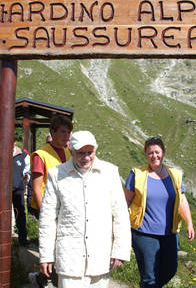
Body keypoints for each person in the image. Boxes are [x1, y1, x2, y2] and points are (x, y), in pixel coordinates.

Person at [38, 130, 131, 288]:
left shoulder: (109, 172)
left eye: (90, 152)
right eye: (81, 153)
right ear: (71, 151)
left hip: (100, 256)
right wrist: (46, 255)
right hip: (69, 259)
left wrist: (120, 251)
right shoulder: (56, 175)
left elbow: (120, 214)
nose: (86, 157)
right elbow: (47, 218)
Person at [124, 136, 195, 288]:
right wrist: (120, 226)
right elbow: (126, 201)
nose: (154, 156)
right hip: (144, 233)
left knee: (170, 270)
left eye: (157, 152)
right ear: (145, 155)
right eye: (150, 153)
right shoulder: (137, 174)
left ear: (163, 152)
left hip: (169, 233)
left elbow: (182, 200)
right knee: (149, 276)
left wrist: (189, 222)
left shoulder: (174, 174)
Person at [28, 114, 73, 288]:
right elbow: (37, 187)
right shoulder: (41, 155)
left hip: (66, 208)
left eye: (68, 132)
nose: (67, 135)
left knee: (61, 248)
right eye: (63, 131)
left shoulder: (69, 152)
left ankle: (43, 278)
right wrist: (44, 213)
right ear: (52, 131)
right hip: (49, 209)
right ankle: (51, 280)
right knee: (53, 248)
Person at [12, 138, 30, 247]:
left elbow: (27, 169)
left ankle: (23, 239)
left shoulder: (23, 154)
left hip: (17, 188)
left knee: (20, 213)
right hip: (3, 190)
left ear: (14, 141)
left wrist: (21, 179)